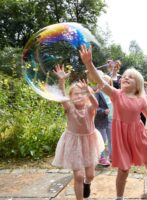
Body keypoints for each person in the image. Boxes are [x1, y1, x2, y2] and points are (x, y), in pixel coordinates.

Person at [79, 45, 147, 200]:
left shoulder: (141, 99)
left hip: (137, 135)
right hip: (121, 137)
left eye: (130, 77)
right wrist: (88, 64)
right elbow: (100, 81)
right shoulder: (116, 94)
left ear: (138, 84)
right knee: (123, 170)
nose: (125, 77)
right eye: (124, 76)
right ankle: (119, 197)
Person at [52, 65, 104, 199]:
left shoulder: (89, 108)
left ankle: (88, 183)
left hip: (89, 142)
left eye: (82, 94)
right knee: (78, 176)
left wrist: (89, 91)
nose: (79, 96)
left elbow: (96, 104)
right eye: (76, 94)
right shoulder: (69, 108)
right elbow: (61, 95)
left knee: (90, 175)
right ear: (71, 97)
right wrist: (62, 81)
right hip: (74, 142)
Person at [94, 73, 111, 167]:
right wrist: (103, 111)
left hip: (111, 119)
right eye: (104, 82)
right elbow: (94, 107)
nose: (106, 85)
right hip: (101, 120)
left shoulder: (111, 93)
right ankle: (101, 158)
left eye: (108, 83)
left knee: (110, 139)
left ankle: (109, 156)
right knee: (102, 139)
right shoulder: (97, 93)